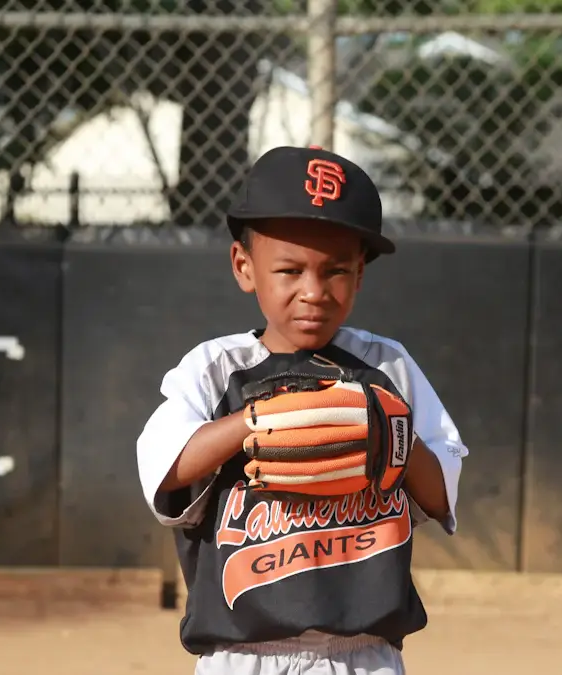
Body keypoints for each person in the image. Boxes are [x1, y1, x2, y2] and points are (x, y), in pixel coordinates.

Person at [135, 145, 469, 675]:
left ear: (360, 275)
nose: (313, 292)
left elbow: (441, 491)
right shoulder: (217, 368)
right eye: (289, 270)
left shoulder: (386, 367)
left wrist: (392, 433)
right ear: (245, 268)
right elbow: (164, 469)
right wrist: (253, 423)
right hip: (242, 656)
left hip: (365, 654)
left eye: (335, 271)